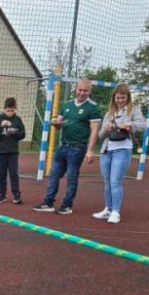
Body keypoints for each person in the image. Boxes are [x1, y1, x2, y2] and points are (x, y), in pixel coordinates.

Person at [33, 79, 102, 215]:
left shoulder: (93, 108)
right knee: (54, 174)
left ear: (90, 91)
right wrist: (56, 123)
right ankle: (48, 202)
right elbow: (59, 123)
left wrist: (90, 150)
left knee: (72, 176)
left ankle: (67, 205)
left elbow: (94, 130)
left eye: (85, 90)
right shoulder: (66, 105)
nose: (82, 93)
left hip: (78, 148)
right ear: (75, 89)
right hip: (63, 146)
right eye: (80, 90)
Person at [94, 84, 146, 224]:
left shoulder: (133, 110)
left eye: (123, 97)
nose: (120, 100)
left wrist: (129, 125)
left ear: (128, 97)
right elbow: (100, 136)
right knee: (107, 182)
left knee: (115, 181)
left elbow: (142, 125)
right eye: (118, 98)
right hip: (106, 151)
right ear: (114, 98)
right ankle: (108, 209)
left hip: (122, 150)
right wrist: (105, 128)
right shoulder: (108, 114)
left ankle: (116, 212)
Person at [0, 96, 26, 204]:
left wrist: (15, 133)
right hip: (1, 151)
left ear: (15, 109)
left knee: (14, 173)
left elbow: (23, 134)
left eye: (12, 110)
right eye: (8, 110)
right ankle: (2, 195)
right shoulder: (0, 118)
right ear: (4, 109)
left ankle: (16, 195)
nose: (10, 112)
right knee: (2, 174)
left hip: (13, 152)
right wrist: (1, 126)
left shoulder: (18, 120)